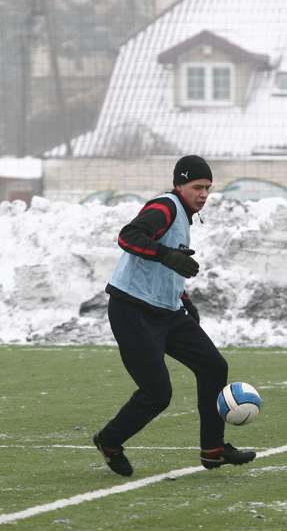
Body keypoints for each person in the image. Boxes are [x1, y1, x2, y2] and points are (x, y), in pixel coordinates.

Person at [92, 155, 256, 476]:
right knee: (157, 394)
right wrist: (166, 255)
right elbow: (128, 236)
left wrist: (183, 298)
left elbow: (165, 267)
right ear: (179, 185)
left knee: (213, 366)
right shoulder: (165, 207)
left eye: (208, 188)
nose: (203, 194)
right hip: (132, 311)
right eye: (197, 187)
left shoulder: (184, 215)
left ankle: (213, 450)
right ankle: (110, 441)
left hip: (167, 312)